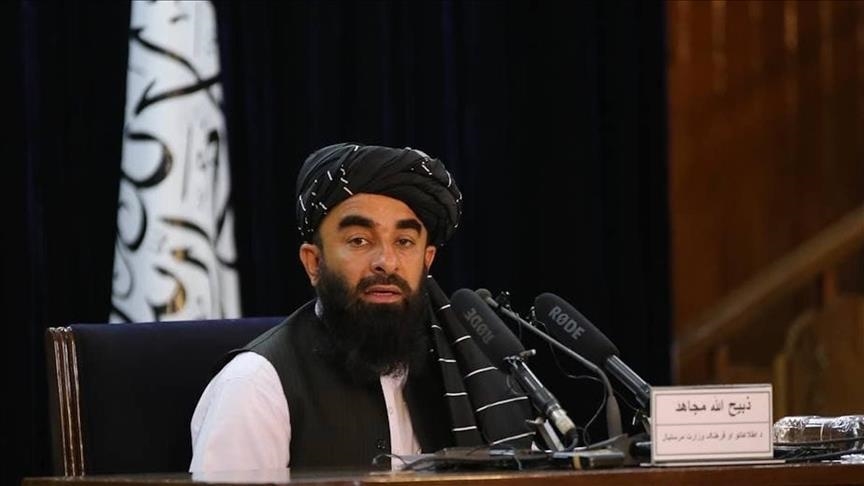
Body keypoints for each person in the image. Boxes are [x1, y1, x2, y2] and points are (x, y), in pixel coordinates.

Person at [189, 143, 466, 472]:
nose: (386, 262)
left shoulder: (454, 375)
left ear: (427, 261)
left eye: (404, 242)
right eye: (359, 240)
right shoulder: (254, 386)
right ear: (314, 262)